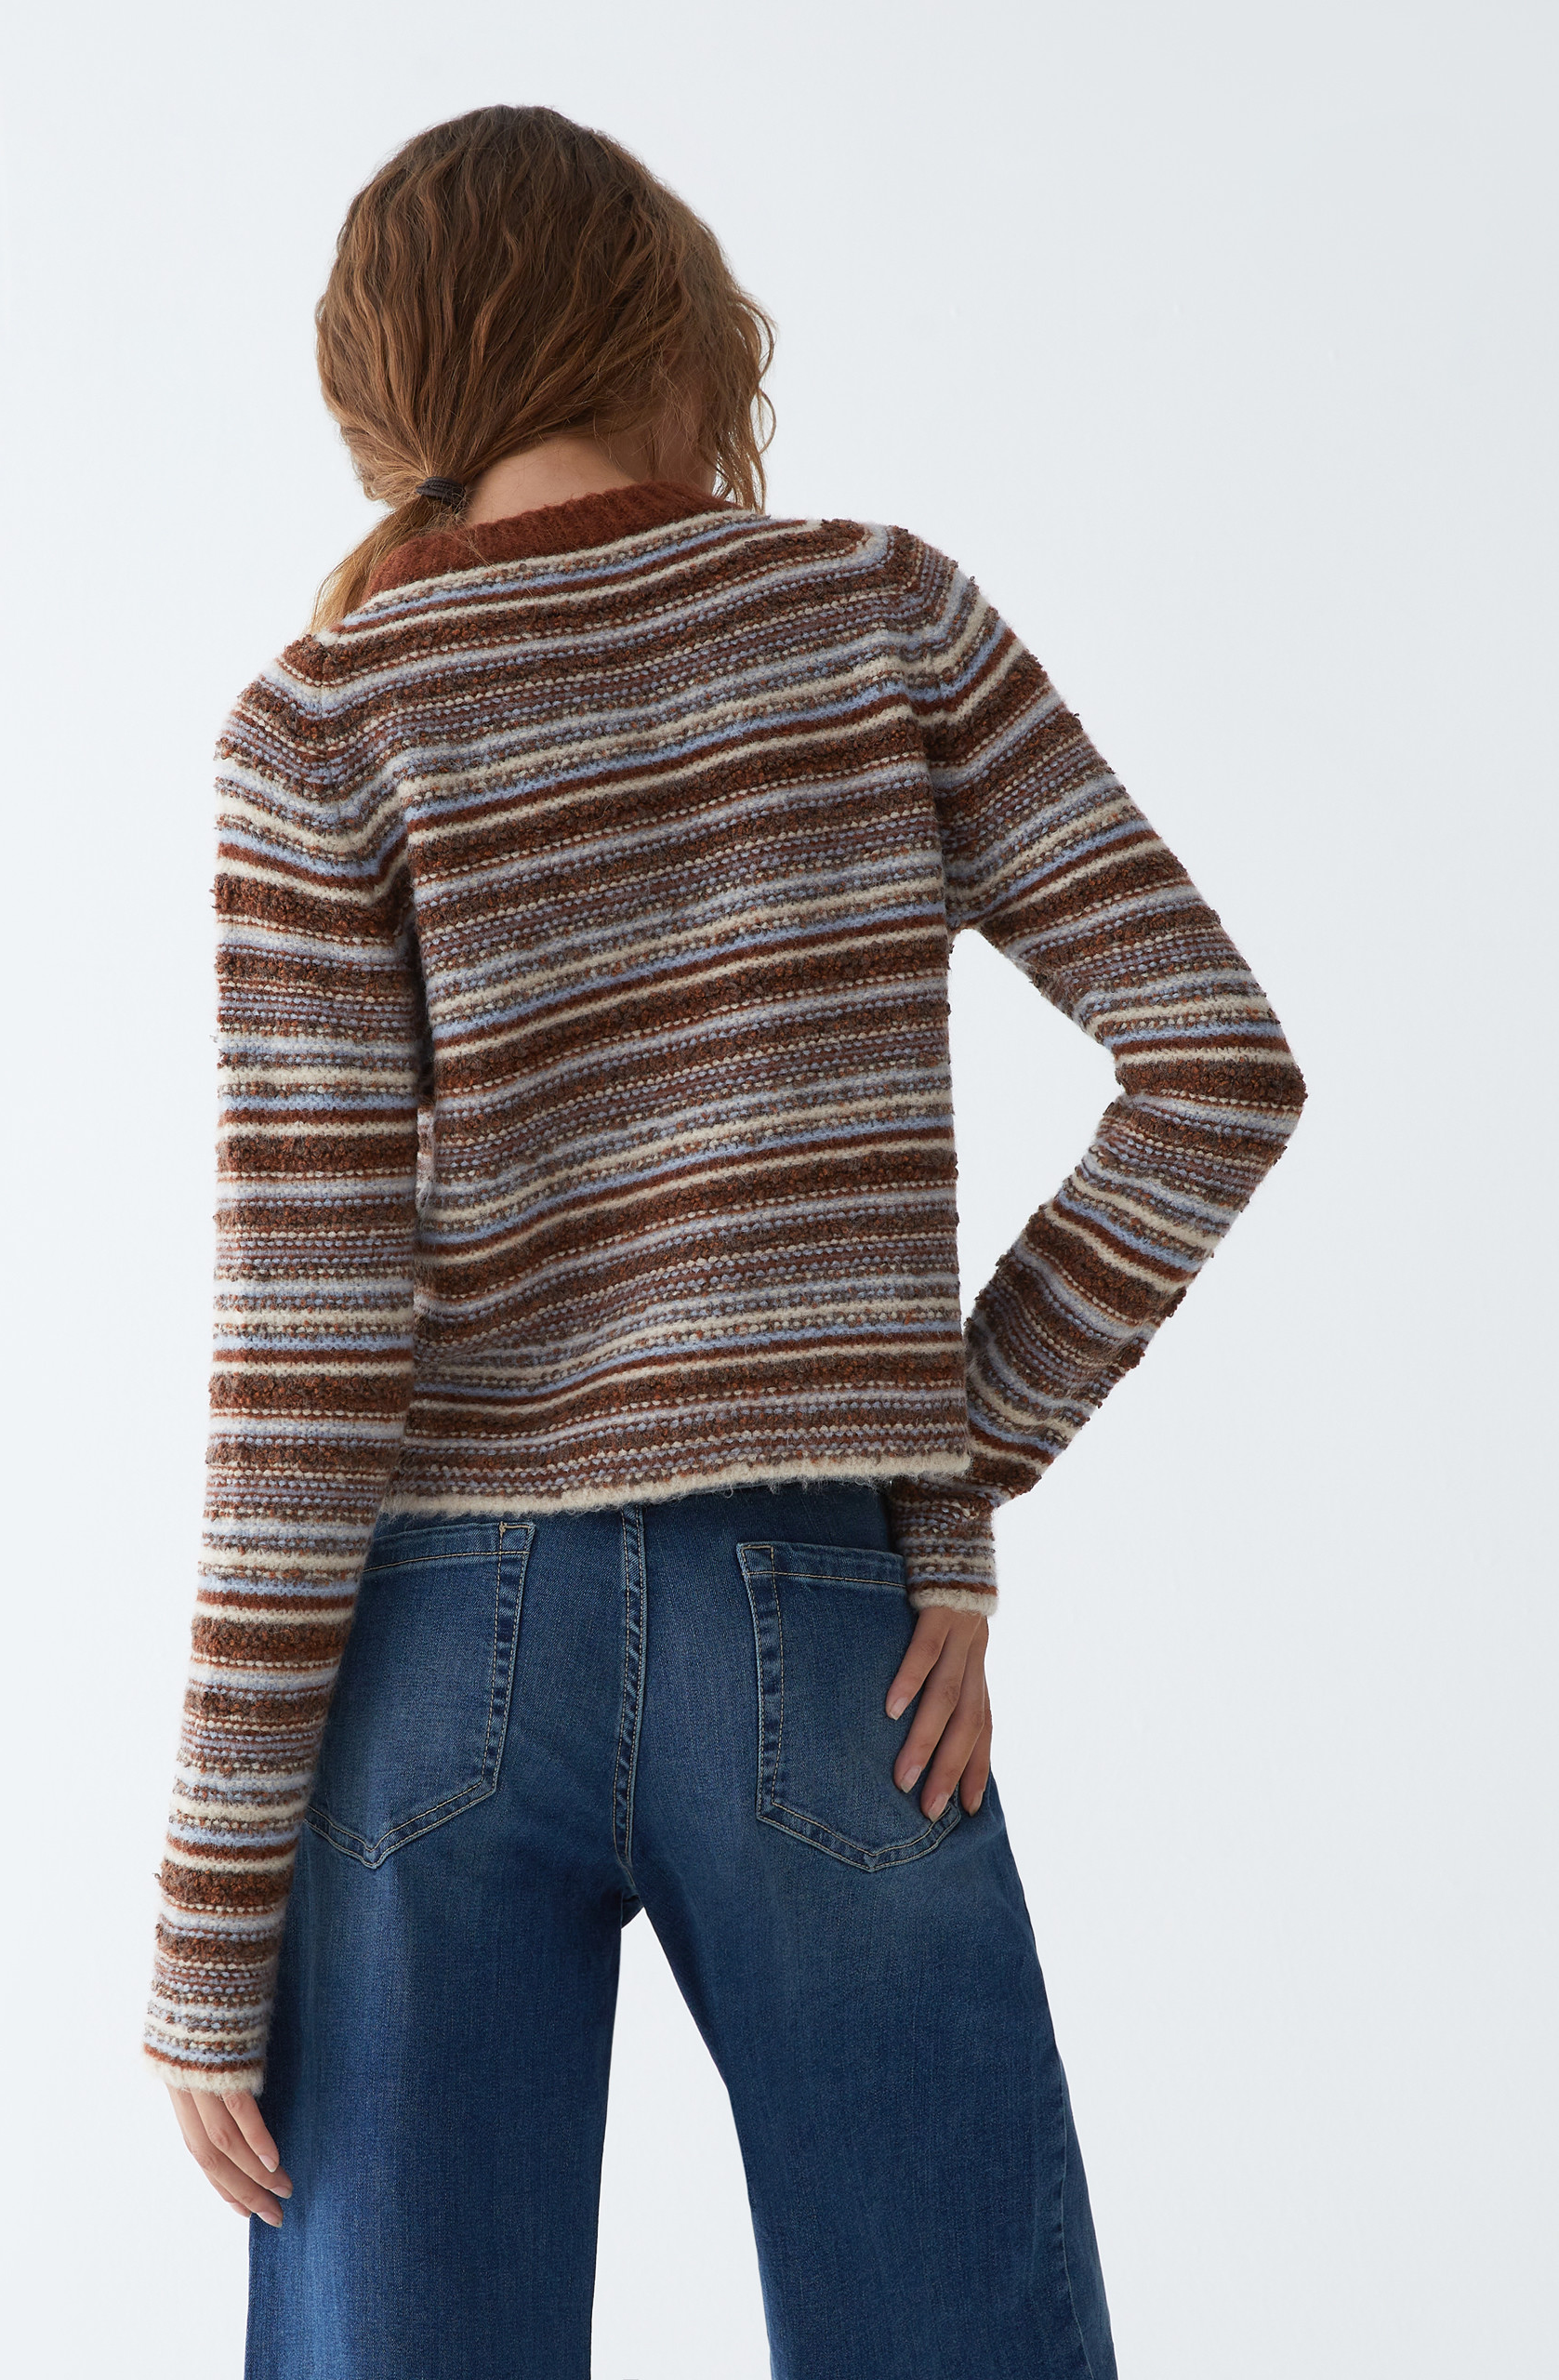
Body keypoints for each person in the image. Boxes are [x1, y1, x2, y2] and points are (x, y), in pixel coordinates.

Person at [143, 103, 1306, 2380]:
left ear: (392, 397)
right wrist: (939, 1463)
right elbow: (1216, 1065)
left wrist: (208, 1906)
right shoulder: (880, 611)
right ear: (668, 321)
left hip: (432, 1646)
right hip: (821, 1620)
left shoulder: (324, 722)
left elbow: (311, 1341)